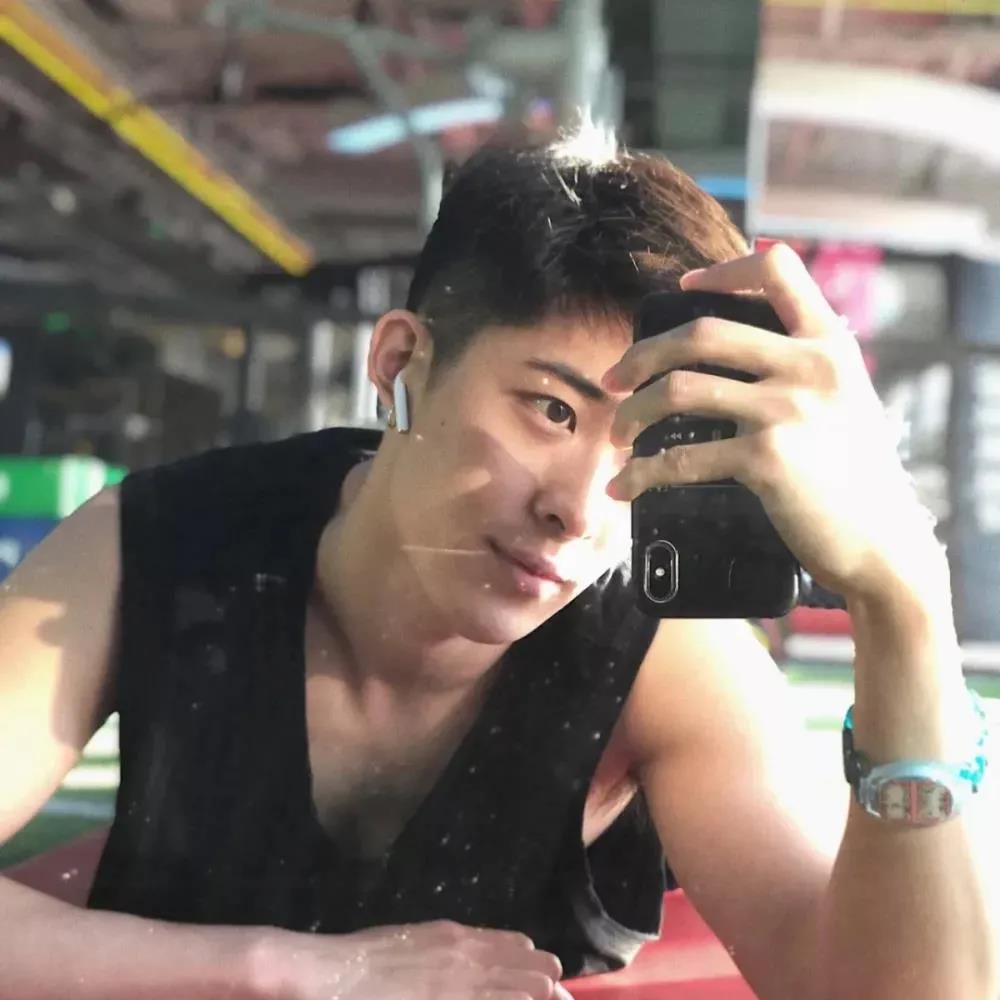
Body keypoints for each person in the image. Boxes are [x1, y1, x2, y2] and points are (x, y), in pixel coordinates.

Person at [0, 121, 996, 1000]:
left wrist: (904, 601)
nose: (579, 509)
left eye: (643, 444)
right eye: (550, 410)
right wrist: (288, 972)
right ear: (400, 363)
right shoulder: (159, 545)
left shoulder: (665, 659)